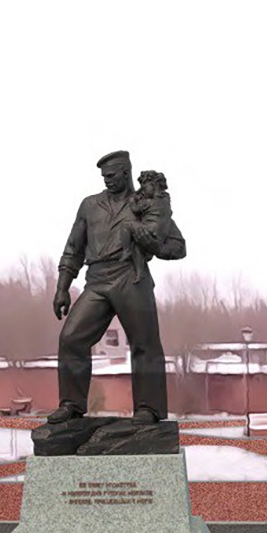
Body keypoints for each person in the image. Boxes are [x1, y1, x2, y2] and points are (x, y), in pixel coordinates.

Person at [49, 151, 186, 425]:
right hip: (97, 280)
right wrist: (63, 287)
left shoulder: (146, 203)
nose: (107, 180)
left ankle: (149, 409)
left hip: (131, 277)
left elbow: (178, 246)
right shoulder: (90, 205)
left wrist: (150, 243)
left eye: (111, 175)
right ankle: (71, 405)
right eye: (104, 177)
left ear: (126, 172)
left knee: (145, 343)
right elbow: (73, 249)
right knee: (71, 337)